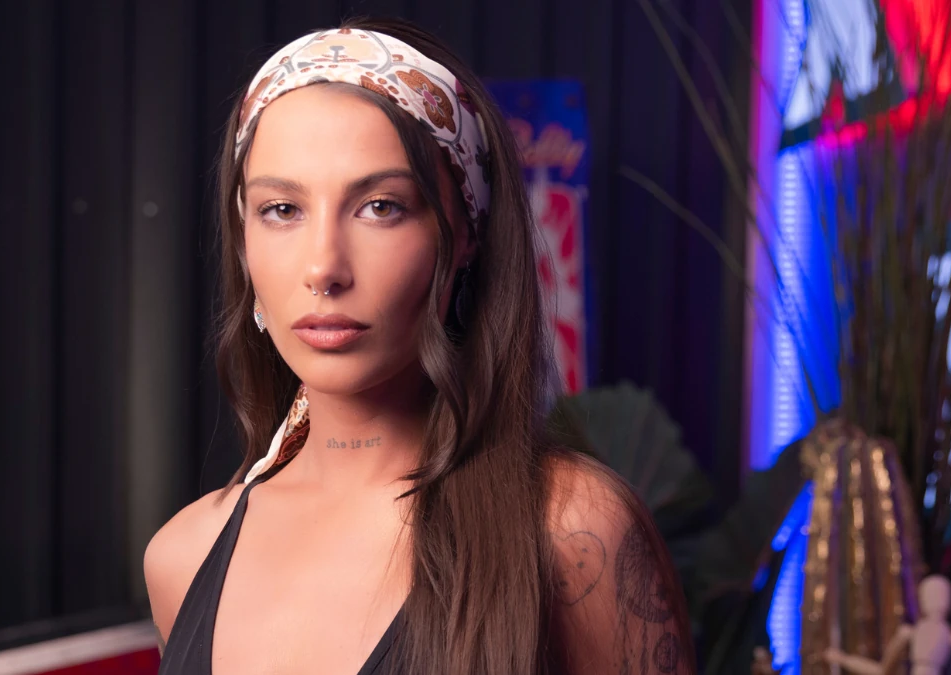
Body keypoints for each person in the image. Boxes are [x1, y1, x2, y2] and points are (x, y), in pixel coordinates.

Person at [144, 17, 693, 675]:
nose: (323, 268)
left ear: (464, 237)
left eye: (380, 206)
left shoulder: (572, 533)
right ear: (243, 242)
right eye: (282, 210)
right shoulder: (181, 556)